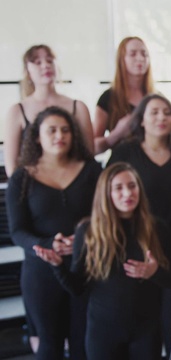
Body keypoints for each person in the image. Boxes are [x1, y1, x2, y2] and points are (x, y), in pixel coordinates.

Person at [34, 162, 171, 360]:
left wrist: (154, 273)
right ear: (105, 193)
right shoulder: (88, 232)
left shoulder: (158, 228)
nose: (127, 193)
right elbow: (78, 288)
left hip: (146, 330)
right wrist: (58, 266)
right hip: (103, 332)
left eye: (132, 186)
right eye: (118, 188)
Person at [107, 94, 171, 356]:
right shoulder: (125, 152)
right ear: (141, 121)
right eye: (154, 113)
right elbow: (108, 197)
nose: (161, 117)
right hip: (133, 243)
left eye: (167, 112)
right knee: (140, 325)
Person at [6, 106, 100, 360]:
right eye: (52, 130)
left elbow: (104, 217)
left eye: (65, 130)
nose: (60, 135)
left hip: (85, 268)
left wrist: (83, 238)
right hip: (40, 273)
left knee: (84, 345)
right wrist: (48, 244)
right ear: (37, 137)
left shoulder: (92, 170)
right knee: (49, 347)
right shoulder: (21, 178)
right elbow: (17, 231)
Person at [4, 45, 93, 177]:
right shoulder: (17, 111)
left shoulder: (78, 107)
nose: (45, 66)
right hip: (34, 187)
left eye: (50, 60)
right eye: (38, 62)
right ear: (27, 70)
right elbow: (12, 167)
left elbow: (89, 155)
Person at [94, 37, 155, 154]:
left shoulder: (156, 98)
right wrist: (116, 134)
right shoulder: (108, 98)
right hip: (122, 164)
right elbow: (93, 148)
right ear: (122, 59)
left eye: (144, 54)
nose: (140, 58)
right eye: (133, 54)